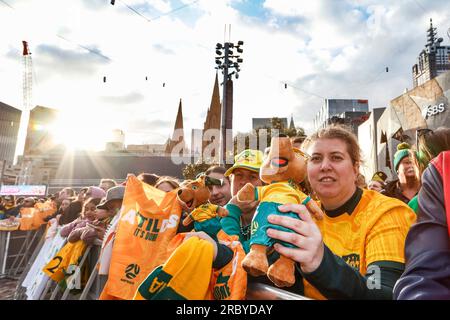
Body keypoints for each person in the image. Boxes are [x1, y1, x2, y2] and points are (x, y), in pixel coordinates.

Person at [266, 125, 416, 299]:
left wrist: (321, 263)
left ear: (355, 168)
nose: (325, 166)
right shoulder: (300, 214)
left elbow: (381, 291)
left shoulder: (387, 213)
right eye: (315, 158)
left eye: (336, 158)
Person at [394, 127, 450, 299]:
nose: (411, 165)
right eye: (405, 162)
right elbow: (424, 269)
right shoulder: (395, 203)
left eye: (412, 161)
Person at [220, 149, 264, 253]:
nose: (244, 182)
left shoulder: (272, 218)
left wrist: (232, 209)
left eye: (252, 176)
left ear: (265, 184)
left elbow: (235, 255)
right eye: (239, 175)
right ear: (230, 180)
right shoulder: (215, 214)